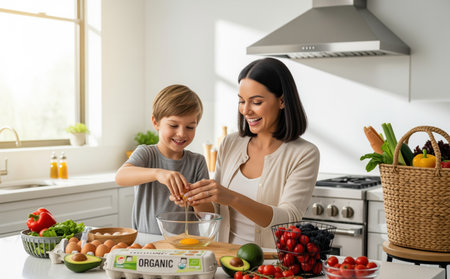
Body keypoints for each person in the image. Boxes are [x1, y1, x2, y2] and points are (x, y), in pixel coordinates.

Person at [181, 58, 320, 248]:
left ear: (282, 100)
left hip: (268, 265)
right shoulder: (231, 143)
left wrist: (232, 197)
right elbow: (216, 211)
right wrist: (196, 199)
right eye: (241, 101)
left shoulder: (304, 153)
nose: (246, 110)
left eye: (256, 102)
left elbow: (288, 218)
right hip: (224, 259)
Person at [115, 84, 211, 234]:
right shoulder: (146, 154)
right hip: (146, 245)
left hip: (185, 246)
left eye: (190, 127)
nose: (181, 133)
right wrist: (158, 174)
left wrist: (193, 199)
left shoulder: (197, 162)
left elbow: (206, 214)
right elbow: (120, 177)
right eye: (173, 125)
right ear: (156, 122)